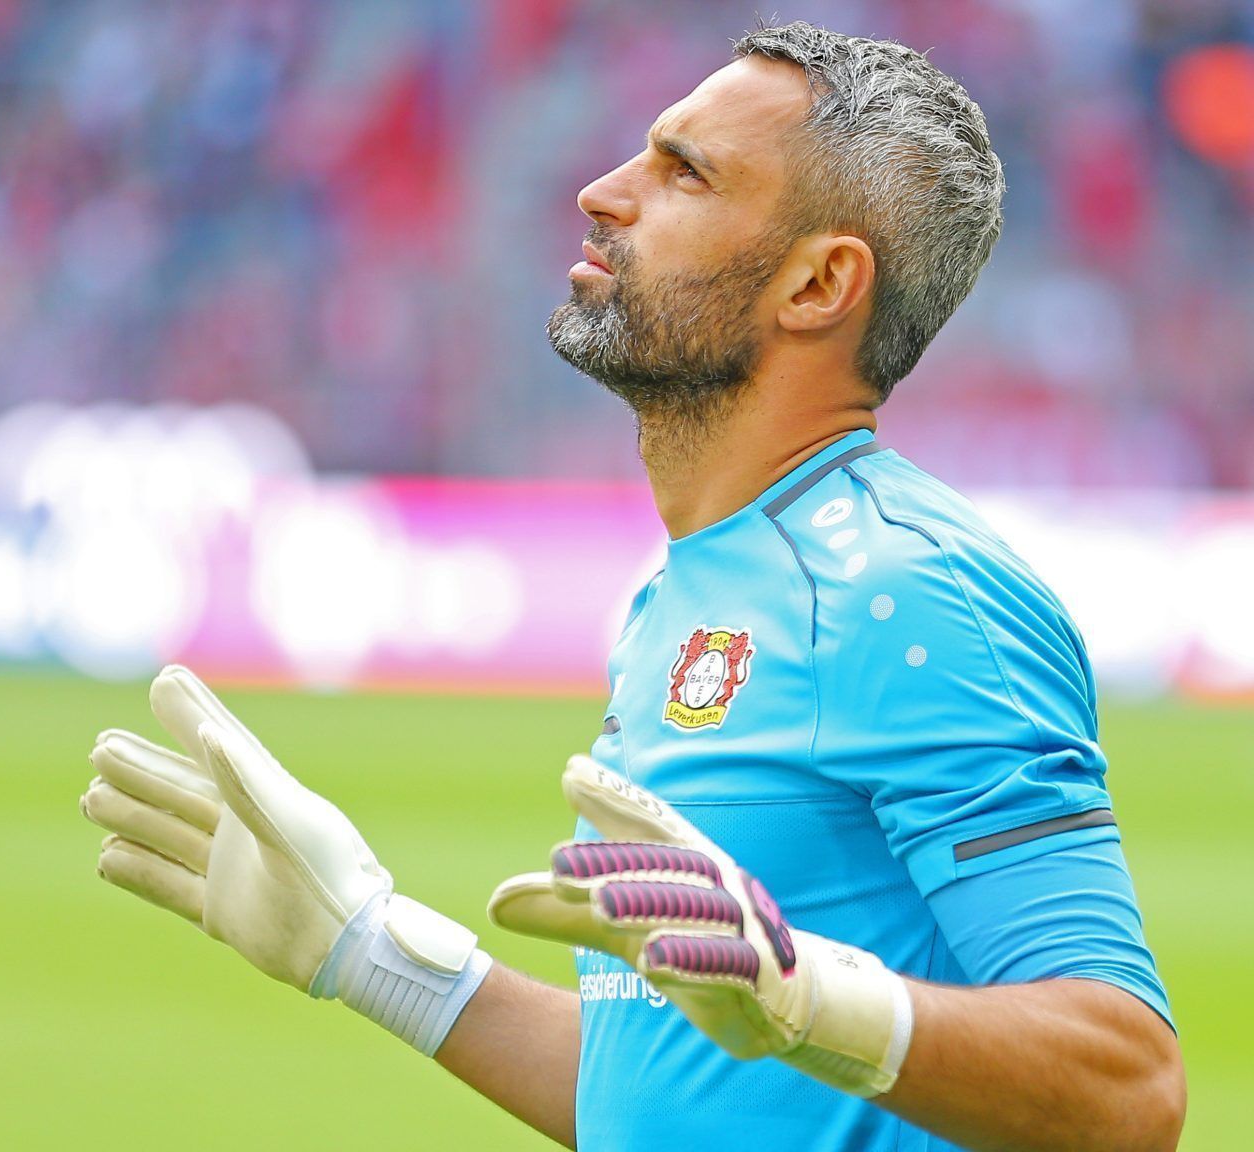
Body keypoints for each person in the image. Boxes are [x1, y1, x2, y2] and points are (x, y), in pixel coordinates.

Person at [79, 23, 1185, 1152]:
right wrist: (369, 950)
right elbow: (667, 1091)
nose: (603, 193)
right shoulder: (691, 588)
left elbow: (1128, 1089)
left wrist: (815, 1001)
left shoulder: (907, 591)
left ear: (818, 284)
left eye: (683, 172)